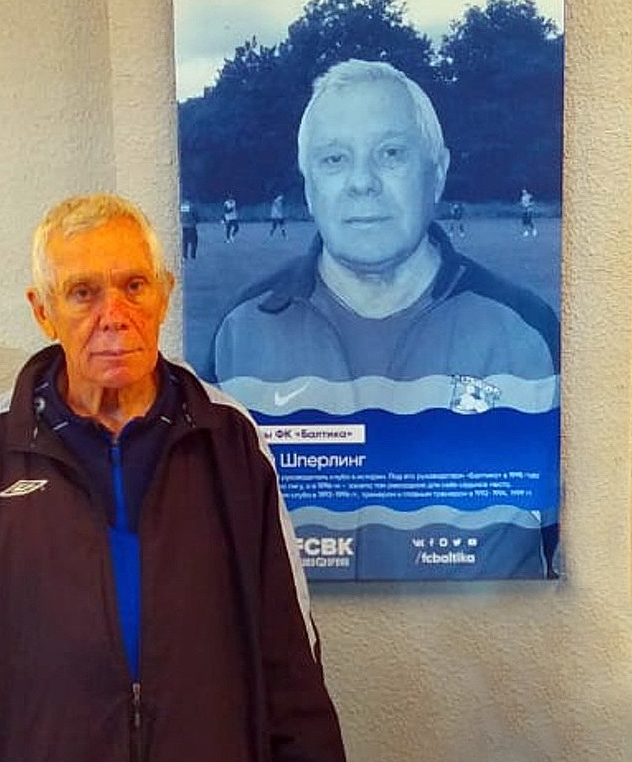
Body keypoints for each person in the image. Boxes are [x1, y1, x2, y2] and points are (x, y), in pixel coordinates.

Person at [0, 193, 350, 762]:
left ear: (163, 294)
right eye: (83, 293)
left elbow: (289, 661)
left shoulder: (230, 441)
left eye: (134, 286)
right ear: (43, 311)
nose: (114, 315)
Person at [211, 61, 560, 579]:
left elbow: (568, 531)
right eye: (334, 159)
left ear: (437, 172)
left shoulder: (526, 331)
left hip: (483, 636)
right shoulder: (240, 333)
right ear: (308, 187)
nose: (362, 183)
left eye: (391, 154)